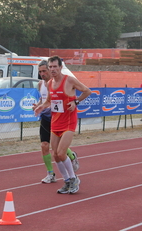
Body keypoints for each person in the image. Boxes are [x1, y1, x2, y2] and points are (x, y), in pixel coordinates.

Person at [34, 56, 91, 194]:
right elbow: (48, 101)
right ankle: (66, 181)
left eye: (55, 67)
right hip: (55, 122)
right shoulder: (49, 84)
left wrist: (76, 102)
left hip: (69, 121)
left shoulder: (69, 80)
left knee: (61, 152)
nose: (52, 69)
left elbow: (87, 91)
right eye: (50, 67)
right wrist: (41, 107)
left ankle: (73, 178)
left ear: (60, 67)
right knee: (55, 155)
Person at [32, 60, 80, 184]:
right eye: (40, 72)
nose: (42, 73)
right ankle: (51, 174)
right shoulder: (41, 85)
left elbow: (85, 91)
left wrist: (75, 101)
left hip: (61, 119)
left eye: (44, 70)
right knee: (45, 146)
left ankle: (72, 160)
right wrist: (38, 106)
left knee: (59, 150)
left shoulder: (60, 82)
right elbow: (44, 100)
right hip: (46, 119)